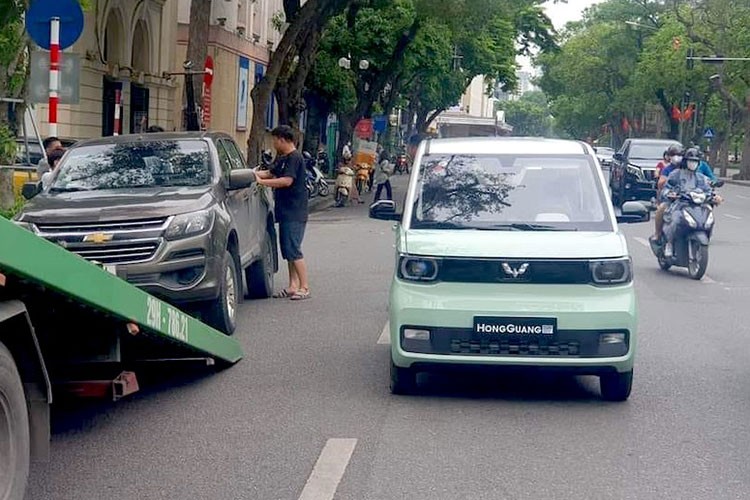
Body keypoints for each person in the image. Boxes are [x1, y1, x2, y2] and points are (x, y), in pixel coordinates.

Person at [254, 125, 311, 300]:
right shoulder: (283, 158)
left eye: (275, 140)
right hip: (285, 211)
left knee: (293, 249)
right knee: (287, 250)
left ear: (282, 139)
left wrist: (261, 183)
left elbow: (286, 181)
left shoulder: (295, 158)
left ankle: (305, 287)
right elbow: (270, 173)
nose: (273, 143)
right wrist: (253, 174)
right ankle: (293, 285)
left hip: (295, 211)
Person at [661, 151, 714, 258]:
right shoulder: (675, 174)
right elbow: (666, 188)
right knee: (675, 220)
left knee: (709, 216)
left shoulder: (701, 177)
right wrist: (670, 194)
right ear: (685, 162)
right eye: (691, 161)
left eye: (695, 162)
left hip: (698, 205)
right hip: (680, 204)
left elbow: (708, 190)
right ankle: (669, 244)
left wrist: (714, 196)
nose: (693, 164)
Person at [651, 144, 684, 242]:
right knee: (661, 209)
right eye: (673, 154)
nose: (676, 157)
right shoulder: (667, 169)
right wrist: (667, 183)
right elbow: (661, 184)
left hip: (686, 199)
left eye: (679, 154)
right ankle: (657, 233)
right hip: (671, 199)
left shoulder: (687, 169)